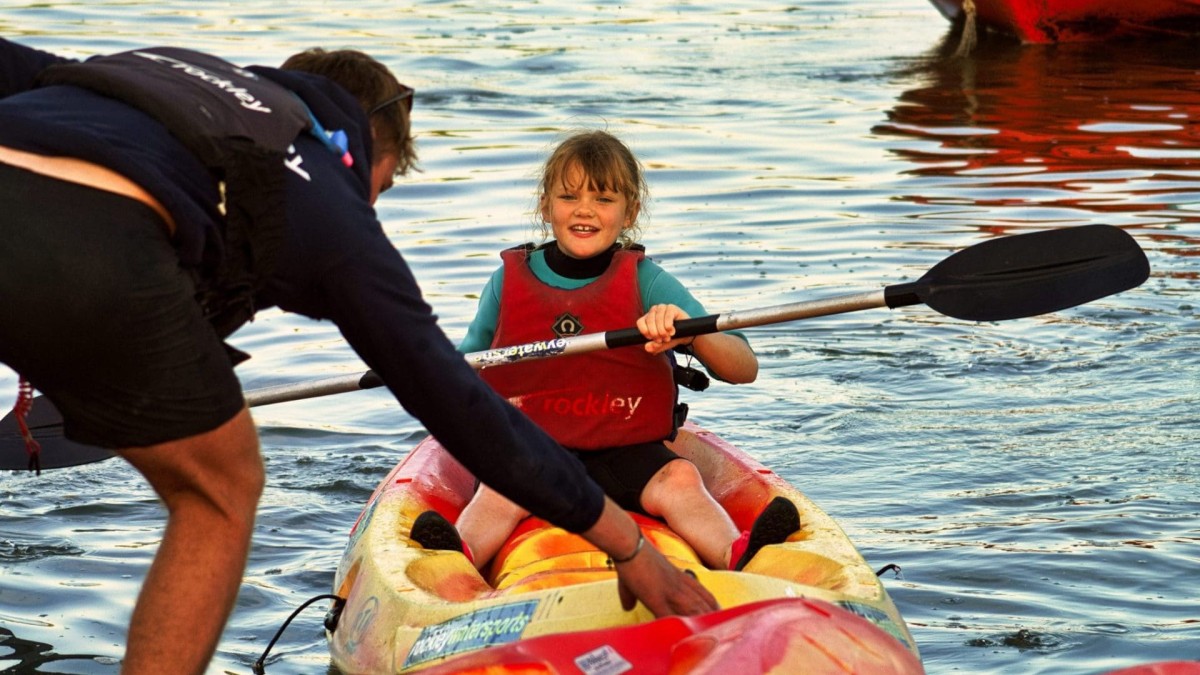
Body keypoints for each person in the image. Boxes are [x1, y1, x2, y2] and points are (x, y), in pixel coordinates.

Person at [0, 40, 716, 674]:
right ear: (369, 148)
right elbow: (455, 399)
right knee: (220, 488)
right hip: (94, 253)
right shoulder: (323, 192)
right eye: (386, 185)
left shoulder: (164, 70)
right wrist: (626, 546)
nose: (373, 207)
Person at [411, 130, 800, 574]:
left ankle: (738, 553)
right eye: (569, 195)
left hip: (626, 452)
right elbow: (466, 369)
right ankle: (457, 561)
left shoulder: (647, 281)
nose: (584, 210)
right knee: (499, 490)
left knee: (680, 479)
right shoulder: (506, 283)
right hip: (534, 452)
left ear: (630, 211)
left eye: (603, 199)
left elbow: (743, 367)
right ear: (545, 205)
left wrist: (688, 333)